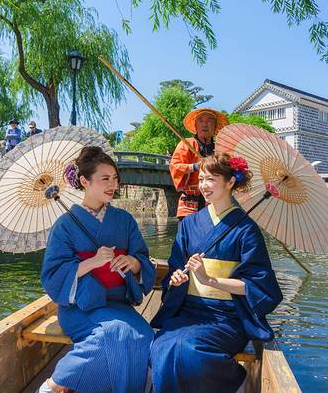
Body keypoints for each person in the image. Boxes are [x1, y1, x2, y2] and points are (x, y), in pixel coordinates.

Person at [150, 153, 283, 393]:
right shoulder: (189, 224)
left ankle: (235, 381)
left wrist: (210, 280)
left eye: (210, 179)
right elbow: (175, 268)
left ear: (230, 182)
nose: (203, 185)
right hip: (189, 310)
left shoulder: (246, 229)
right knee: (163, 346)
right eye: (201, 179)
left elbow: (258, 286)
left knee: (190, 349)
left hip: (227, 316)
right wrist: (177, 278)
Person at [39, 146, 156, 393]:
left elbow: (142, 258)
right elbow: (52, 275)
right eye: (105, 179)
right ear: (84, 181)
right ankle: (54, 385)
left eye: (115, 178)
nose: (113, 184)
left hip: (118, 303)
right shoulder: (64, 225)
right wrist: (92, 262)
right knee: (113, 334)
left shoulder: (124, 220)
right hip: (80, 307)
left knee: (144, 335)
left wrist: (132, 262)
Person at [169, 108, 229, 219]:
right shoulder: (187, 144)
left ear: (215, 126)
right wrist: (194, 166)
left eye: (210, 121)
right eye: (200, 120)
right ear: (196, 125)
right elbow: (175, 166)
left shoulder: (220, 149)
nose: (205, 124)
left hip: (213, 206)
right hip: (189, 206)